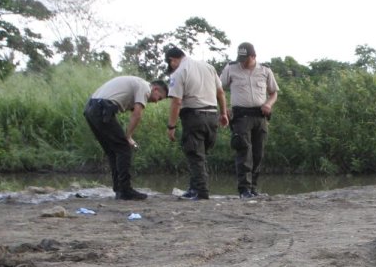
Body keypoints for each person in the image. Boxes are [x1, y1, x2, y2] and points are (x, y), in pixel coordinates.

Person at [83, 76, 169, 200]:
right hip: (102, 108)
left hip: (91, 109)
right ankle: (125, 190)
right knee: (123, 148)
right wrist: (128, 136)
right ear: (155, 89)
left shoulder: (137, 84)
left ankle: (119, 189)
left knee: (113, 151)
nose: (156, 102)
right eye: (159, 98)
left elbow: (129, 108)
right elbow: (137, 114)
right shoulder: (145, 87)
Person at [164, 46, 229, 200]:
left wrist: (171, 126)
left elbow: (176, 102)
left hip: (193, 116)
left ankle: (201, 191)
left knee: (195, 155)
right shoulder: (208, 67)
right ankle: (193, 188)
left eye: (170, 64)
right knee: (201, 154)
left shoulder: (179, 72)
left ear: (172, 60)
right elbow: (220, 92)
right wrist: (224, 113)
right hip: (212, 116)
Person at [219, 42, 279, 198]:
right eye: (240, 58)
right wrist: (224, 109)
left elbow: (273, 93)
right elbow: (218, 89)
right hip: (241, 116)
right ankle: (244, 189)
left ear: (253, 56)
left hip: (260, 116)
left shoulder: (265, 70)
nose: (242, 62)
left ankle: (253, 188)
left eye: (245, 58)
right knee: (244, 151)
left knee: (258, 153)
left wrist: (268, 104)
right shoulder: (231, 68)